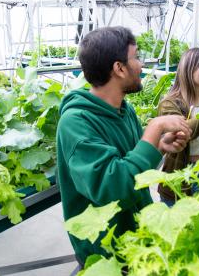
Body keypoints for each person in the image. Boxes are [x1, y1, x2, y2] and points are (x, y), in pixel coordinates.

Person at [56, 26, 191, 269]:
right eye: (136, 57)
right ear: (119, 68)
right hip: (105, 250)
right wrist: (153, 129)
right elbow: (112, 187)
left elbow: (132, 168)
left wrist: (158, 147)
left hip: (137, 236)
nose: (141, 65)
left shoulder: (124, 110)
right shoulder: (75, 122)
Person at [157, 48, 199, 206]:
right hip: (180, 174)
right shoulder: (170, 103)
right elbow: (180, 133)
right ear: (188, 68)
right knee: (178, 227)